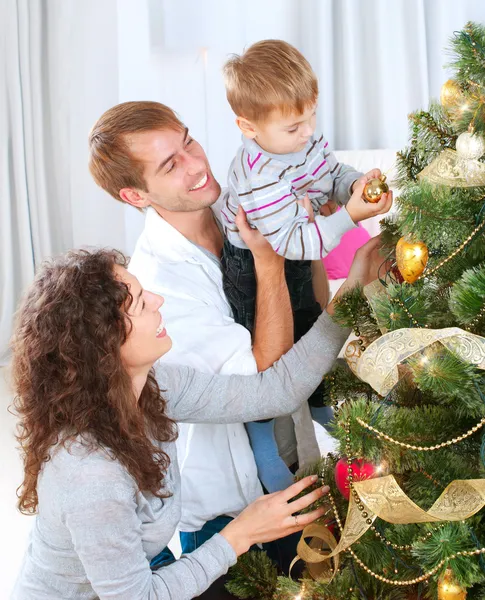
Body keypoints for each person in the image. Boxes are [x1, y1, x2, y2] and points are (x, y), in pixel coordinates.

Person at [11, 237, 382, 599]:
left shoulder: (154, 386)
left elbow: (275, 391)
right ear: (104, 345)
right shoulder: (91, 472)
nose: (158, 301)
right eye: (140, 304)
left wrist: (350, 292)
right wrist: (240, 534)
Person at [88, 100, 331, 563]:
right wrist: (270, 261)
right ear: (135, 195)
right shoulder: (158, 284)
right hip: (234, 514)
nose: (197, 164)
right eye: (171, 164)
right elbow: (263, 378)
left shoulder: (238, 202)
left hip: (299, 456)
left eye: (188, 142)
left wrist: (306, 239)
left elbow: (309, 309)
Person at [220, 39, 393, 492]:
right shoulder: (259, 173)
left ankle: (336, 421)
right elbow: (296, 241)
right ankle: (272, 468)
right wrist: (350, 216)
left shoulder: (304, 137)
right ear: (247, 126)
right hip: (251, 270)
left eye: (312, 117)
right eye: (295, 126)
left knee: (310, 336)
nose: (308, 131)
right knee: (270, 370)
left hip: (295, 252)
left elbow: (329, 175)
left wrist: (357, 184)